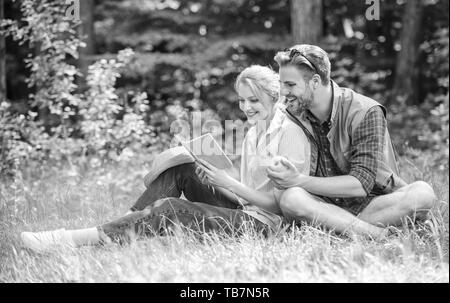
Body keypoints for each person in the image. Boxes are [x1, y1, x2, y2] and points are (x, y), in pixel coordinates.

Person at [21, 65, 311, 252]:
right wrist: (217, 178)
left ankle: (69, 239)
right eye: (242, 100)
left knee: (171, 209)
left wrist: (229, 184)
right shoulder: (253, 132)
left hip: (267, 227)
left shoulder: (289, 134)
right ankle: (123, 227)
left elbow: (281, 206)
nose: (245, 107)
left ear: (275, 98)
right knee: (184, 166)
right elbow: (249, 195)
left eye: (254, 101)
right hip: (246, 211)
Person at [266, 44, 436, 239]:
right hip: (323, 205)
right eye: (281, 84)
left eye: (290, 85)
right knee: (291, 198)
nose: (283, 91)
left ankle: (338, 229)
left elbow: (360, 184)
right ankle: (378, 234)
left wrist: (298, 180)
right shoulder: (291, 114)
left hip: (374, 203)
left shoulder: (365, 111)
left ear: (314, 82)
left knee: (423, 193)